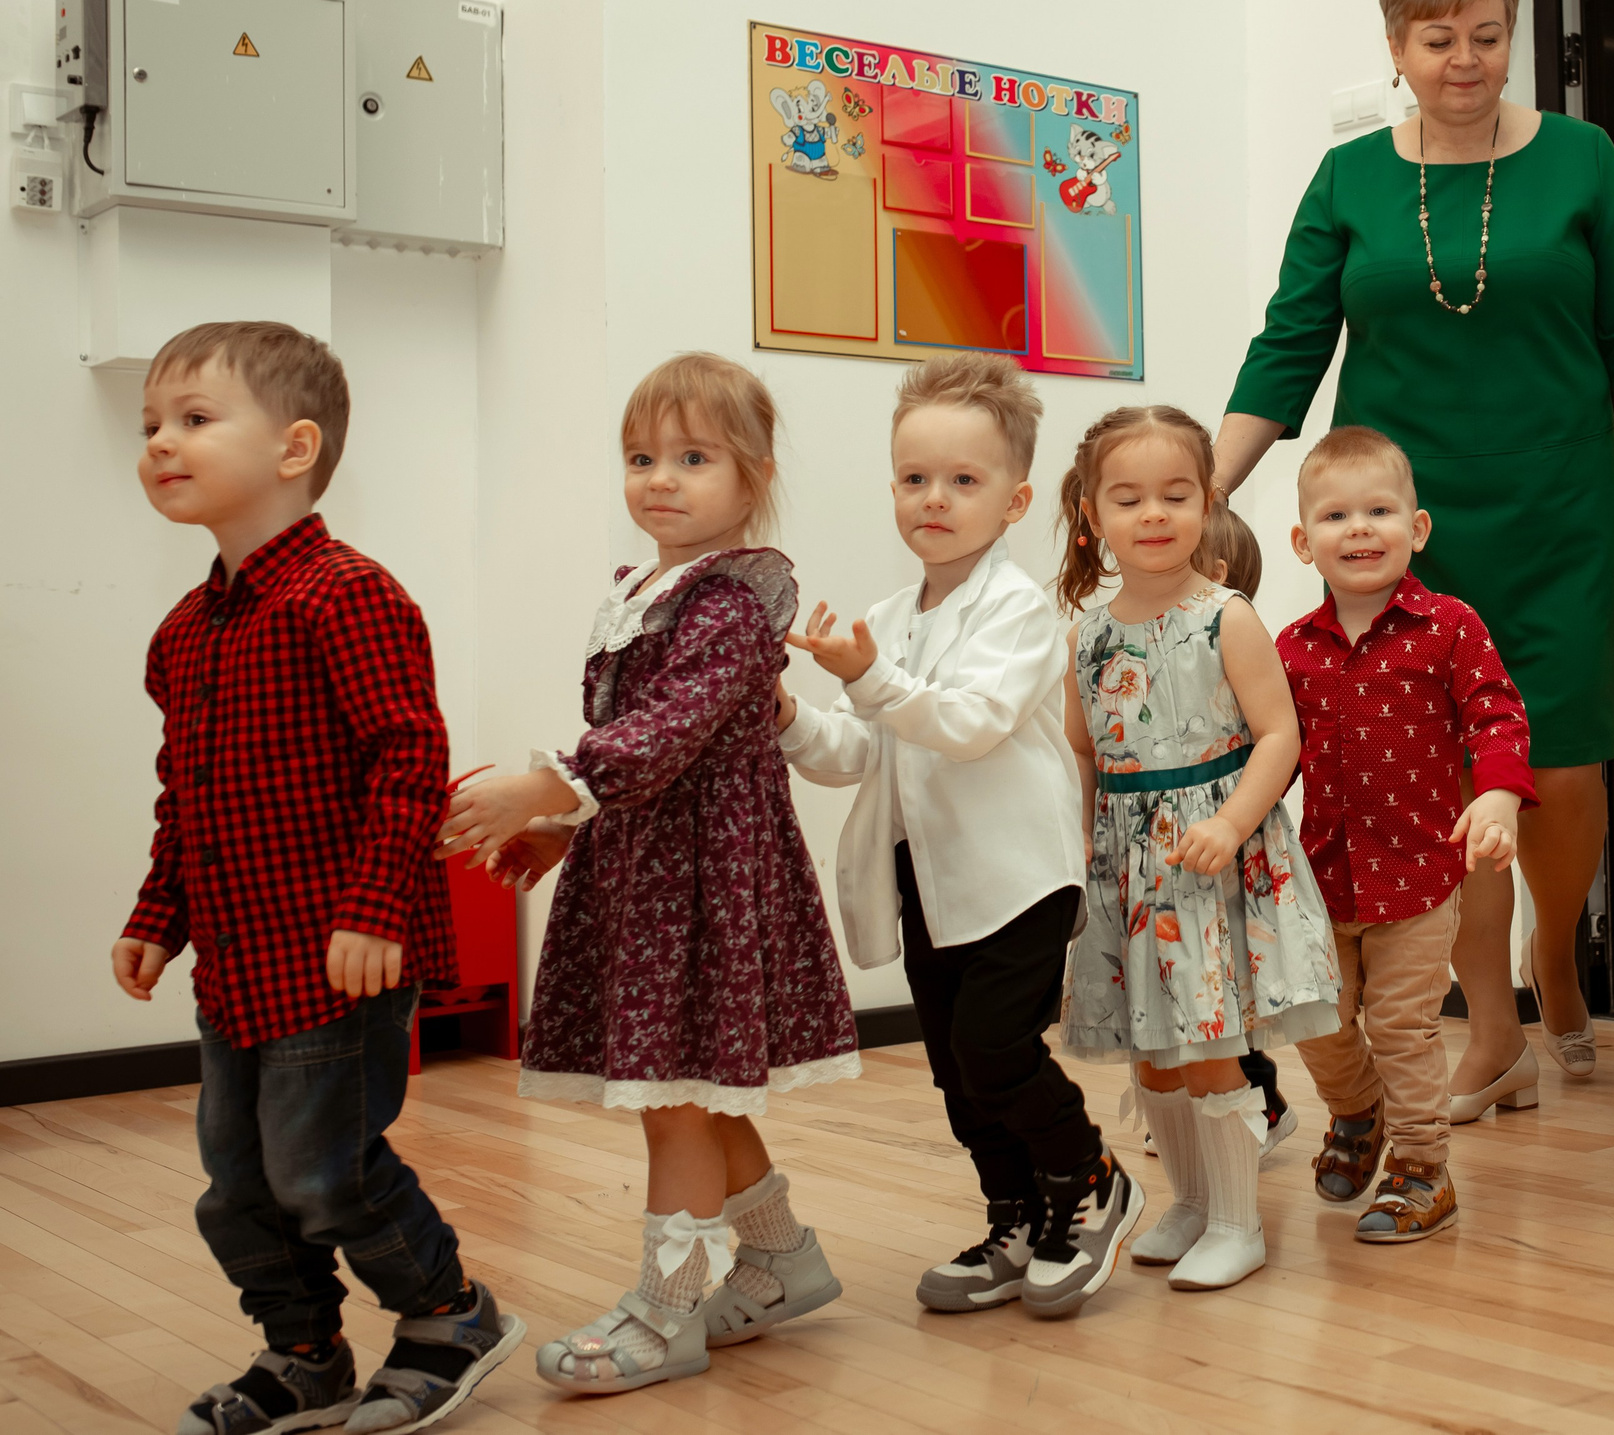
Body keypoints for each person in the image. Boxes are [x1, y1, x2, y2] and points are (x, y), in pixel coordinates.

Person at [1216, 0, 1614, 1104]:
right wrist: (1207, 485)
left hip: (1558, 502)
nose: (1465, 61)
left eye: (1487, 38)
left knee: (1562, 759)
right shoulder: (1349, 178)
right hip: (1400, 515)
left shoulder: (1581, 159)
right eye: (1439, 40)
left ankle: (1558, 951)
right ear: (1397, 48)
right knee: (1441, 774)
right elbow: (1292, 341)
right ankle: (1490, 1026)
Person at [113, 321, 523, 1435]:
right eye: (150, 423)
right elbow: (182, 797)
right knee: (236, 1185)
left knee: (323, 1173)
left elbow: (410, 758)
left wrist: (376, 903)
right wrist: (160, 916)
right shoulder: (182, 634)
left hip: (339, 957)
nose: (158, 442)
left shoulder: (350, 597)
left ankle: (451, 1316)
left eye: (195, 420)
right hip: (237, 963)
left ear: (294, 448)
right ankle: (303, 1352)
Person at [437, 353, 862, 1389]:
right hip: (653, 864)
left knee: (675, 1098)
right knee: (702, 1094)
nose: (660, 478)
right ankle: (779, 1260)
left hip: (702, 883)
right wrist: (563, 829)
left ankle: (665, 1317)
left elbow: (665, 734)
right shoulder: (649, 591)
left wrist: (541, 789)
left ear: (751, 475)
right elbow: (632, 739)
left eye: (692, 457)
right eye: (641, 457)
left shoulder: (730, 601)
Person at [773, 353, 1142, 1320]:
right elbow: (861, 750)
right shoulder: (890, 619)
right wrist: (785, 717)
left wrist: (867, 678)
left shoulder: (1020, 610)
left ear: (1016, 501)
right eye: (914, 478)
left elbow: (969, 723)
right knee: (954, 1068)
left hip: (1019, 876)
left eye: (963, 481)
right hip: (926, 881)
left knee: (994, 1048)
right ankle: (1014, 1211)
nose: (934, 498)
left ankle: (1089, 1177)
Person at [1053, 406, 1340, 1291]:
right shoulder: (1088, 634)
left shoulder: (1228, 616)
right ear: (1092, 514)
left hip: (1211, 858)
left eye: (1176, 494)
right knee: (1151, 1048)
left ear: (1206, 502)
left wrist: (1230, 821)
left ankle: (1236, 1218)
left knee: (1209, 1039)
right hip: (1127, 869)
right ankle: (1187, 1199)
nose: (1154, 514)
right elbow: (1083, 753)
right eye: (1129, 497)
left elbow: (1280, 735)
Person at [1275, 426, 1535, 1242]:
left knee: (1400, 1026)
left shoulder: (1449, 625)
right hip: (1320, 878)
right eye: (1336, 515)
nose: (1359, 528)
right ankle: (1357, 1115)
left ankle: (1424, 1169)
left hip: (1417, 878)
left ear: (1416, 529)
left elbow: (1498, 713)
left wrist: (1496, 793)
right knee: (1315, 1017)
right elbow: (1265, 753)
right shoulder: (1291, 648)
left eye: (1379, 510)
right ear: (1302, 540)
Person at [1189, 501, 1298, 1160]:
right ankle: (1218, 1098)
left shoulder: (1234, 642)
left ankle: (1260, 1102)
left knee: (1229, 984)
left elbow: (1276, 744)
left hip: (1231, 838)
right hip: (1193, 841)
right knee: (1209, 983)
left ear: (1218, 571)